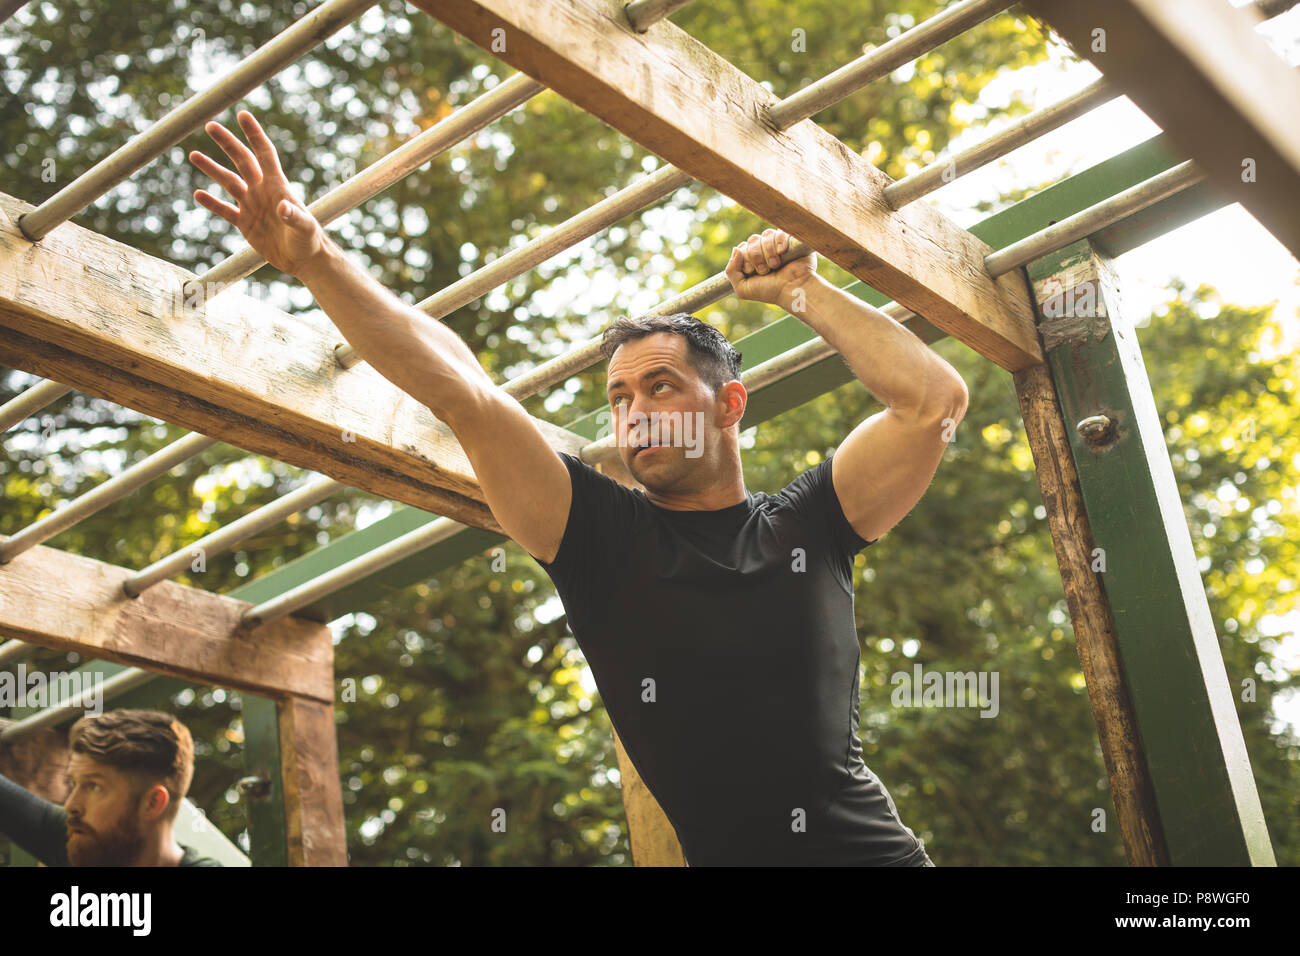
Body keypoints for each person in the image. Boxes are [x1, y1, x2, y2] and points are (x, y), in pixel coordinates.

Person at [189, 110, 966, 865]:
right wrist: (315, 256)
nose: (635, 414)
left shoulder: (809, 525)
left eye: (661, 386)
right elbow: (466, 392)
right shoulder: (599, 537)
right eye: (620, 398)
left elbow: (934, 402)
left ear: (729, 405)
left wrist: (801, 292)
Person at [0, 708, 222, 866]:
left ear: (153, 803)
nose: (71, 805)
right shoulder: (90, 844)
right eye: (74, 783)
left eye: (94, 787)